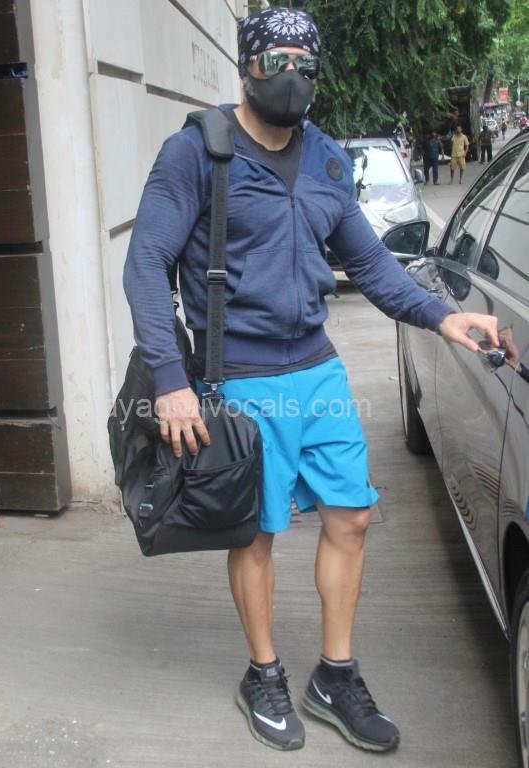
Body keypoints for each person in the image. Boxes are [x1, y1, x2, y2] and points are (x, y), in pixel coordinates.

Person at [123, 6, 499, 754]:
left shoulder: (326, 157)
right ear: (247, 67)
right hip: (240, 378)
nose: (289, 75)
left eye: (304, 63)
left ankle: (335, 674)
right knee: (256, 530)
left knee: (350, 517)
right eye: (275, 61)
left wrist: (442, 316)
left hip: (319, 369)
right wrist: (168, 378)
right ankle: (262, 673)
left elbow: (370, 264)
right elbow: (145, 264)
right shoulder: (196, 152)